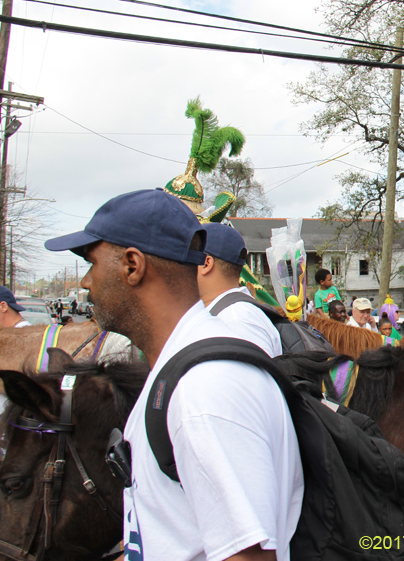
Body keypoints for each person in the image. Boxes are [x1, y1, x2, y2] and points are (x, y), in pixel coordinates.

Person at [45, 189, 303, 561]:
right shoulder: (177, 372)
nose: (85, 282)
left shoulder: (203, 390)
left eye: (92, 263)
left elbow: (248, 556)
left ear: (132, 266)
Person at [197, 223, 283, 357]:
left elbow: (253, 377)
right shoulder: (231, 315)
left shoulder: (236, 321)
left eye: (189, 257)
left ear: (206, 264)